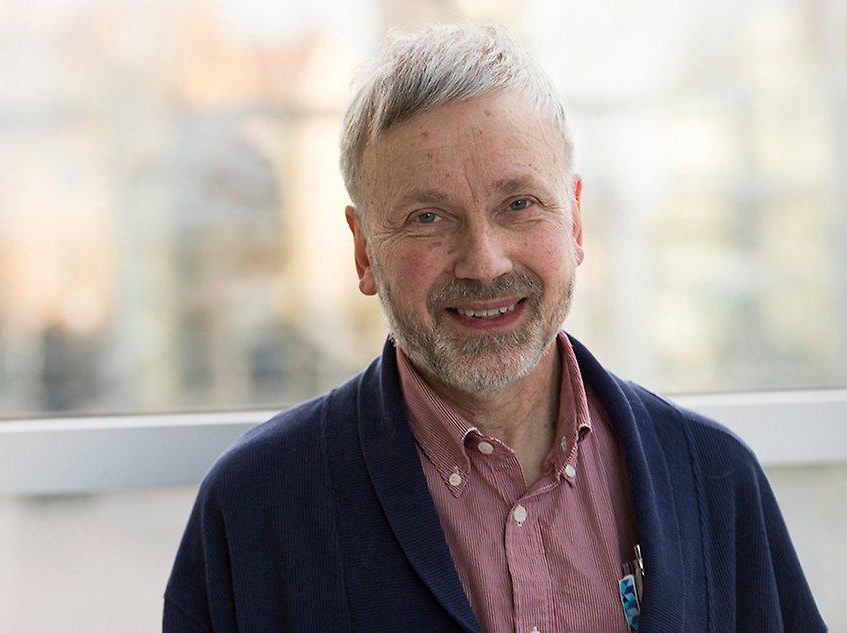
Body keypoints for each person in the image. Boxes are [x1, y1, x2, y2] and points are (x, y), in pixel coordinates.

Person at [163, 22, 826, 633]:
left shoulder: (715, 483)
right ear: (364, 250)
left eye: (518, 204)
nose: (483, 261)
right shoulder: (254, 511)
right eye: (427, 216)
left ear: (573, 222)